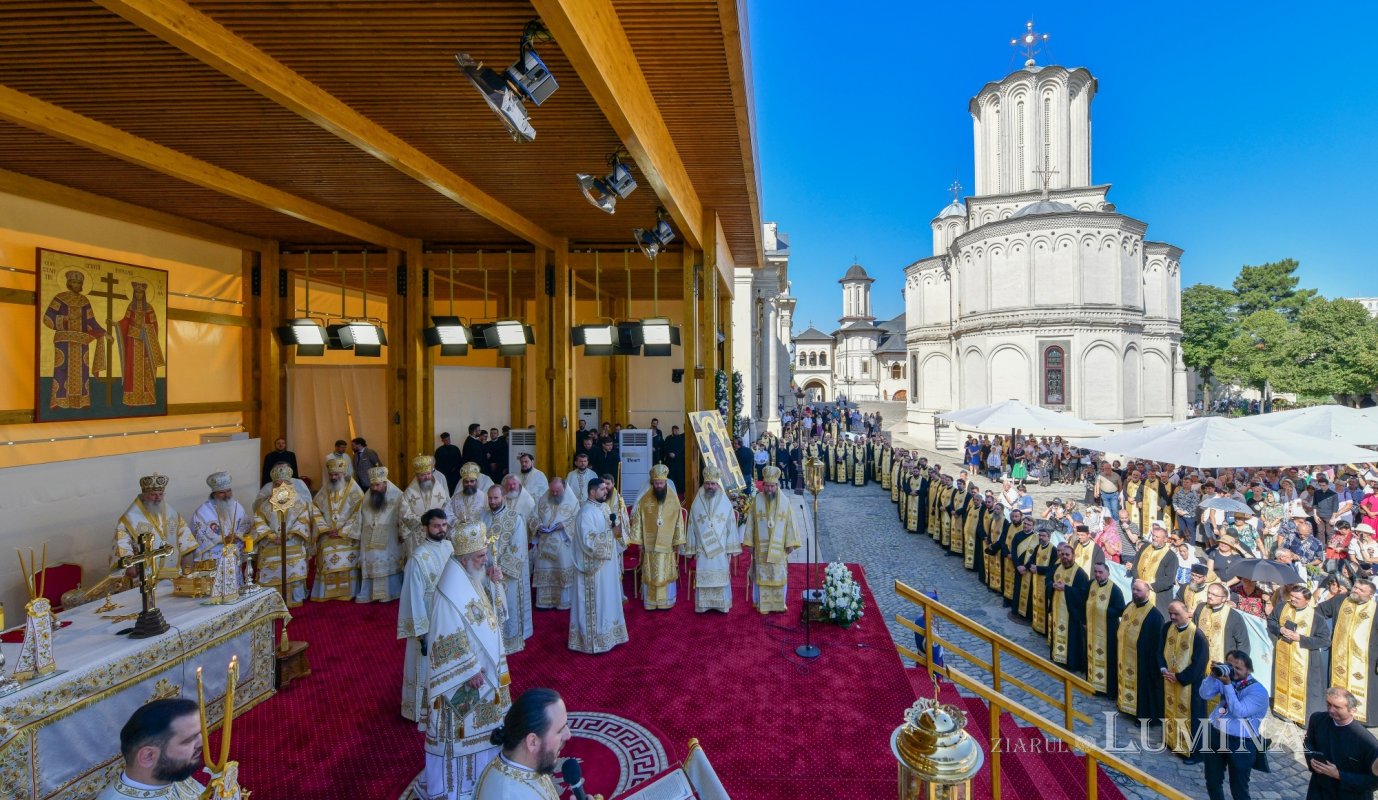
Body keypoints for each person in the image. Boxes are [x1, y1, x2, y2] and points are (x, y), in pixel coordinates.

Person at [422, 519, 510, 800]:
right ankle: (457, 790)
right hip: (467, 679)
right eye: (480, 557)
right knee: (463, 736)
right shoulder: (449, 591)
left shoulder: (471, 576)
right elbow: (445, 637)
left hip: (484, 674)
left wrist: (496, 586)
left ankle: (483, 783)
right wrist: (469, 670)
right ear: (464, 558)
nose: (485, 561)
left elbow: (492, 617)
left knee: (484, 733)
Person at [96, 697, 236, 800]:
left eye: (199, 734)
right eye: (188, 740)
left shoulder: (170, 774)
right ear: (148, 756)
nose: (202, 743)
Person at [397, 510, 455, 724]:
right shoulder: (418, 558)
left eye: (444, 525)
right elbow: (413, 597)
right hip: (428, 620)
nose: (441, 530)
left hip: (449, 616)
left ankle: (445, 705)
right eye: (436, 526)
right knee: (424, 665)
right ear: (425, 528)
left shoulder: (450, 547)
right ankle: (420, 710)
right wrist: (421, 633)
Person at [473, 688, 572, 799]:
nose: (568, 734)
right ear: (532, 742)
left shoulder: (521, 763)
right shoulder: (510, 795)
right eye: (560, 730)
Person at [569, 478, 629, 654]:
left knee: (608, 598)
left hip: (607, 565)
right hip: (593, 569)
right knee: (598, 602)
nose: (606, 491)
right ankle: (594, 641)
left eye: (606, 488)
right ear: (592, 492)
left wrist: (617, 526)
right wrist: (612, 533)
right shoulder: (585, 513)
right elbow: (589, 542)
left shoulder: (603, 507)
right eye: (602, 489)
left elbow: (611, 528)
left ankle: (611, 635)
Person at [1200, 650, 1269, 800]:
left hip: (1240, 743)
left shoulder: (1259, 692)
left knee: (1239, 790)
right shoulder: (1224, 678)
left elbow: (1239, 711)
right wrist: (1212, 677)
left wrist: (1227, 684)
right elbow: (1204, 694)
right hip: (1216, 735)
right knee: (1212, 781)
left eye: (1238, 668)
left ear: (1249, 670)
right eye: (1229, 666)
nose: (1233, 671)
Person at [252, 463, 325, 605]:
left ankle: (296, 597)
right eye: (277, 484)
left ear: (290, 484)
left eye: (284, 484)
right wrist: (271, 536)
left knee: (293, 566)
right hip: (271, 543)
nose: (281, 488)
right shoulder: (265, 504)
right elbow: (258, 521)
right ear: (273, 486)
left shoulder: (300, 502)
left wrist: (290, 535)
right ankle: (271, 601)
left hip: (292, 541)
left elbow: (303, 520)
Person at [42, 269, 106, 412]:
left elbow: (91, 321)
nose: (76, 285)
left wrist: (103, 333)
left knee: (82, 371)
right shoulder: (60, 298)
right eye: (73, 282)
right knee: (61, 369)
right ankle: (58, 401)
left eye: (79, 282)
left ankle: (81, 401)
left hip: (81, 342)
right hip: (64, 340)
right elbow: (47, 317)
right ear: (68, 283)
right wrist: (64, 319)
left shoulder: (84, 301)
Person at [1270, 585, 1334, 727]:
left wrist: (1300, 638)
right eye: (1291, 596)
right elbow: (1271, 621)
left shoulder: (1316, 617)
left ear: (1307, 600)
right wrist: (1279, 629)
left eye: (1297, 598)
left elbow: (1325, 640)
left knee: (1305, 688)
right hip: (1284, 655)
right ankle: (1283, 711)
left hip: (1305, 659)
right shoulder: (1282, 607)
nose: (1292, 600)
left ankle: (1302, 718)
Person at [114, 473, 197, 579]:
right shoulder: (130, 517)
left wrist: (183, 556)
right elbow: (122, 542)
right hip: (144, 571)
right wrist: (129, 565)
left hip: (172, 569)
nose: (158, 498)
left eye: (161, 494)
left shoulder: (170, 513)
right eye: (153, 494)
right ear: (144, 495)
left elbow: (182, 533)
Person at [742, 465, 801, 613]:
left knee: (778, 573)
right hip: (761, 548)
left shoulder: (785, 502)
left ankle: (779, 604)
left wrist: (790, 542)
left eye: (772, 486)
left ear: (777, 485)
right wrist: (748, 542)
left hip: (778, 548)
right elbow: (751, 522)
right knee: (761, 574)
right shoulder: (757, 500)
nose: (769, 489)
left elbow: (789, 523)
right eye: (766, 486)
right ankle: (762, 604)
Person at [628, 464, 686, 610]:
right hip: (650, 544)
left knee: (665, 572)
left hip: (667, 545)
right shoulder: (644, 500)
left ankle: (666, 600)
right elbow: (638, 522)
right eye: (656, 483)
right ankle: (651, 601)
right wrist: (639, 541)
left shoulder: (673, 500)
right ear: (652, 483)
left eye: (661, 483)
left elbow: (679, 521)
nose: (659, 486)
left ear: (666, 482)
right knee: (651, 572)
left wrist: (678, 540)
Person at [1303, 687, 1378, 800]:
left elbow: (1373, 783)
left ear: (1352, 710)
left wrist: (1338, 775)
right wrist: (1311, 759)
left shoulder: (1368, 743)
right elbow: (1308, 742)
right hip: (1319, 789)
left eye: (1337, 707)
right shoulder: (1317, 719)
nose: (1331, 710)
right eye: (1329, 704)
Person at [482, 485, 531, 654]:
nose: (492, 501)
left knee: (507, 606)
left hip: (505, 575)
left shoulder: (514, 518)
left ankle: (508, 642)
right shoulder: (482, 516)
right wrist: (482, 567)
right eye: (490, 498)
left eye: (495, 498)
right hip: (483, 574)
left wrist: (499, 570)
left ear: (503, 497)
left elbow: (517, 548)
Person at [684, 466, 738, 613]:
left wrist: (730, 548)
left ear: (717, 484)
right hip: (703, 548)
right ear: (704, 483)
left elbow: (731, 525)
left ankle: (721, 604)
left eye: (713, 484)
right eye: (707, 483)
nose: (710, 486)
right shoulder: (697, 502)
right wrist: (692, 548)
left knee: (721, 574)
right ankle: (704, 605)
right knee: (704, 574)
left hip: (720, 548)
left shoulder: (725, 502)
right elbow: (691, 526)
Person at [1162, 600, 1210, 762]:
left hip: (1191, 686)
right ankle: (1172, 741)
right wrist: (1163, 668)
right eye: (1170, 614)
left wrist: (1180, 677)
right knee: (1171, 710)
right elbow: (1159, 650)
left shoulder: (1197, 635)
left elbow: (1200, 664)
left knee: (1194, 718)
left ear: (1187, 613)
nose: (1173, 617)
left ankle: (1195, 753)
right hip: (1169, 679)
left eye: (1176, 614)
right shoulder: (1167, 628)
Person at [310, 454, 363, 602]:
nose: (333, 477)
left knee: (348, 552)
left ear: (344, 473)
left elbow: (358, 514)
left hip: (347, 536)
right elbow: (315, 509)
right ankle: (325, 593)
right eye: (331, 475)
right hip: (327, 534)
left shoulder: (355, 492)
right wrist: (325, 529)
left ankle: (349, 591)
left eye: (336, 474)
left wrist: (342, 531)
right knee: (325, 551)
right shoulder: (324, 491)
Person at [1118, 579, 1167, 724]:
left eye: (1138, 590)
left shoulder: (1155, 615)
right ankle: (1126, 706)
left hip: (1143, 661)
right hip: (1126, 655)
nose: (1134, 592)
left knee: (1144, 690)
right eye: (1133, 589)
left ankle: (1144, 717)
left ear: (1148, 593)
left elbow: (1157, 643)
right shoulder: (1130, 606)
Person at [1331, 578, 1378, 725]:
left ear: (1370, 595)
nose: (1356, 591)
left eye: (1361, 590)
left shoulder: (1375, 609)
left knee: (1368, 692)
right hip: (1341, 657)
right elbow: (1319, 612)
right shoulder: (1342, 600)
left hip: (1367, 660)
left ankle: (1365, 720)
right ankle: (1339, 711)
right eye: (1355, 587)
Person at [530, 478, 579, 610]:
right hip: (545, 541)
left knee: (561, 569)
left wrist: (564, 525)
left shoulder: (573, 501)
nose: (555, 494)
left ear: (564, 488)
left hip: (563, 542)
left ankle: (563, 602)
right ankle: (544, 602)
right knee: (545, 568)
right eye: (552, 491)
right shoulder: (543, 499)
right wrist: (538, 526)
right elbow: (533, 516)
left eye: (558, 491)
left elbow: (577, 519)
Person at [1047, 544, 1091, 674]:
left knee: (1072, 639)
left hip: (1071, 614)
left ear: (1073, 556)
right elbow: (1048, 580)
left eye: (1067, 555)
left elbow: (1083, 594)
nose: (1064, 557)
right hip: (1057, 609)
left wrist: (1066, 589)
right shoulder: (1056, 567)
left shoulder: (1080, 574)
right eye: (1062, 554)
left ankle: (1071, 663)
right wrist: (1052, 585)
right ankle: (1058, 658)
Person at [190, 471, 249, 564]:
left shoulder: (238, 507)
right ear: (214, 494)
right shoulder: (202, 511)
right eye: (222, 492)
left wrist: (237, 535)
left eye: (229, 491)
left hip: (234, 554)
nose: (227, 495)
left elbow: (245, 525)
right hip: (214, 555)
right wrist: (222, 539)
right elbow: (198, 534)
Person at [1086, 561, 1126, 697]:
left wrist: (1104, 611)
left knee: (1107, 660)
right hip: (1092, 630)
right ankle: (1092, 683)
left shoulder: (1114, 590)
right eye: (1095, 572)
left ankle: (1107, 689)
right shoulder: (1091, 584)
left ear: (1108, 573)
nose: (1097, 574)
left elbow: (1121, 610)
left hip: (1107, 632)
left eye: (1100, 572)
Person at [403, 455, 452, 560]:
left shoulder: (440, 490)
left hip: (437, 533)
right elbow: (404, 515)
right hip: (417, 536)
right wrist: (424, 520)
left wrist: (438, 521)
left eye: (428, 474)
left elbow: (447, 507)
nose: (426, 477)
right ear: (416, 476)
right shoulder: (408, 493)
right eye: (422, 475)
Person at [1125, 520, 1178, 616]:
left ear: (1165, 539)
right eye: (1153, 535)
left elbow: (1169, 580)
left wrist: (1150, 586)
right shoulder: (1144, 547)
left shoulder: (1171, 556)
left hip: (1156, 595)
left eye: (1157, 537)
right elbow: (1135, 564)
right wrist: (1138, 581)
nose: (1154, 538)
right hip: (1139, 590)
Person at [1195, 582, 1251, 668]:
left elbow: (1243, 643)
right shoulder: (1200, 608)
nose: (1209, 596)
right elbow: (1192, 629)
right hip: (1199, 659)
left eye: (1214, 594)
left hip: (1223, 663)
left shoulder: (1233, 616)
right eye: (1209, 593)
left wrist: (1237, 664)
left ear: (1224, 599)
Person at [434, 432, 463, 498]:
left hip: (455, 474)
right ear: (442, 441)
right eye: (446, 440)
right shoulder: (439, 450)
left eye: (449, 439)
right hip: (445, 474)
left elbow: (459, 461)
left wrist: (455, 467)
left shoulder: (455, 448)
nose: (448, 441)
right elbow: (437, 464)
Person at [663, 425, 687, 490]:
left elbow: (682, 448)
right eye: (675, 430)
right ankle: (671, 489)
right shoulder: (668, 438)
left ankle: (680, 491)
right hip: (670, 461)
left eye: (677, 430)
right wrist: (669, 453)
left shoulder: (681, 438)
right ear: (672, 431)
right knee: (671, 476)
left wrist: (675, 454)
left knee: (679, 476)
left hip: (678, 461)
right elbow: (665, 447)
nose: (676, 432)